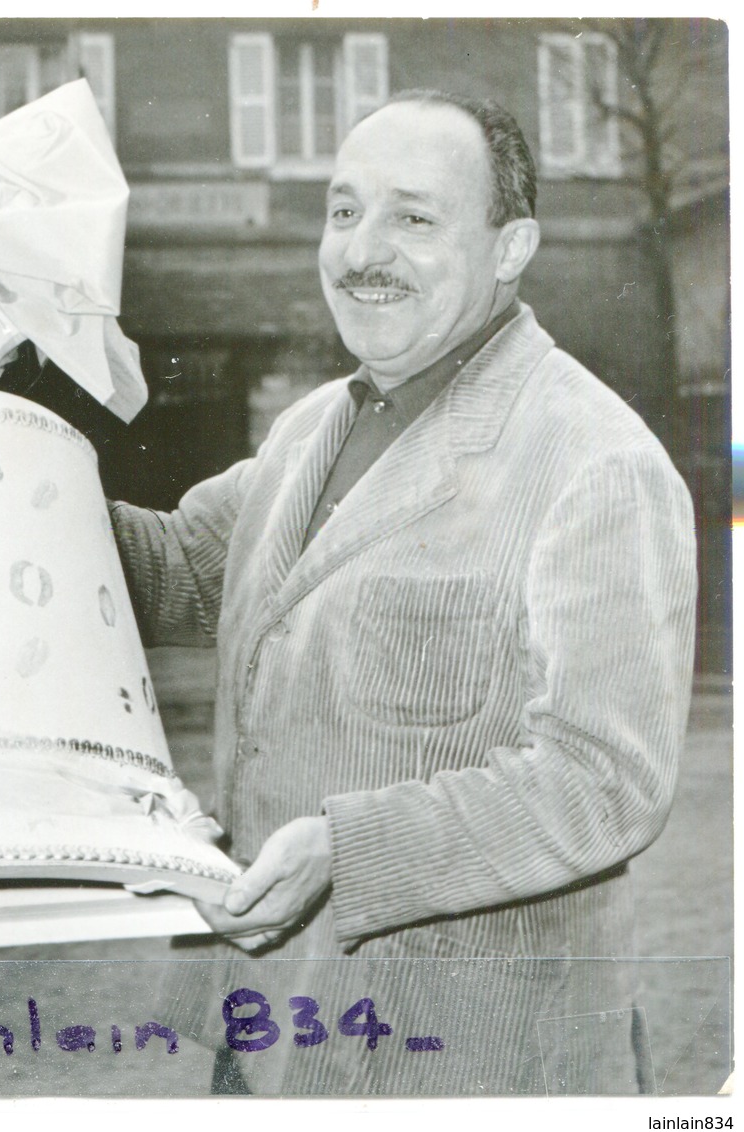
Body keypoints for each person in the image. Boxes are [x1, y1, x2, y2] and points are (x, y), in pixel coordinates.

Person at [109, 91, 696, 1093]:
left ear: (511, 247)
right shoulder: (309, 431)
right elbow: (177, 572)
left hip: (467, 1063)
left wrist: (351, 846)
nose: (360, 251)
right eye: (344, 212)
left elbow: (604, 780)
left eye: (412, 218)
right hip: (268, 1035)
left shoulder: (595, 462)